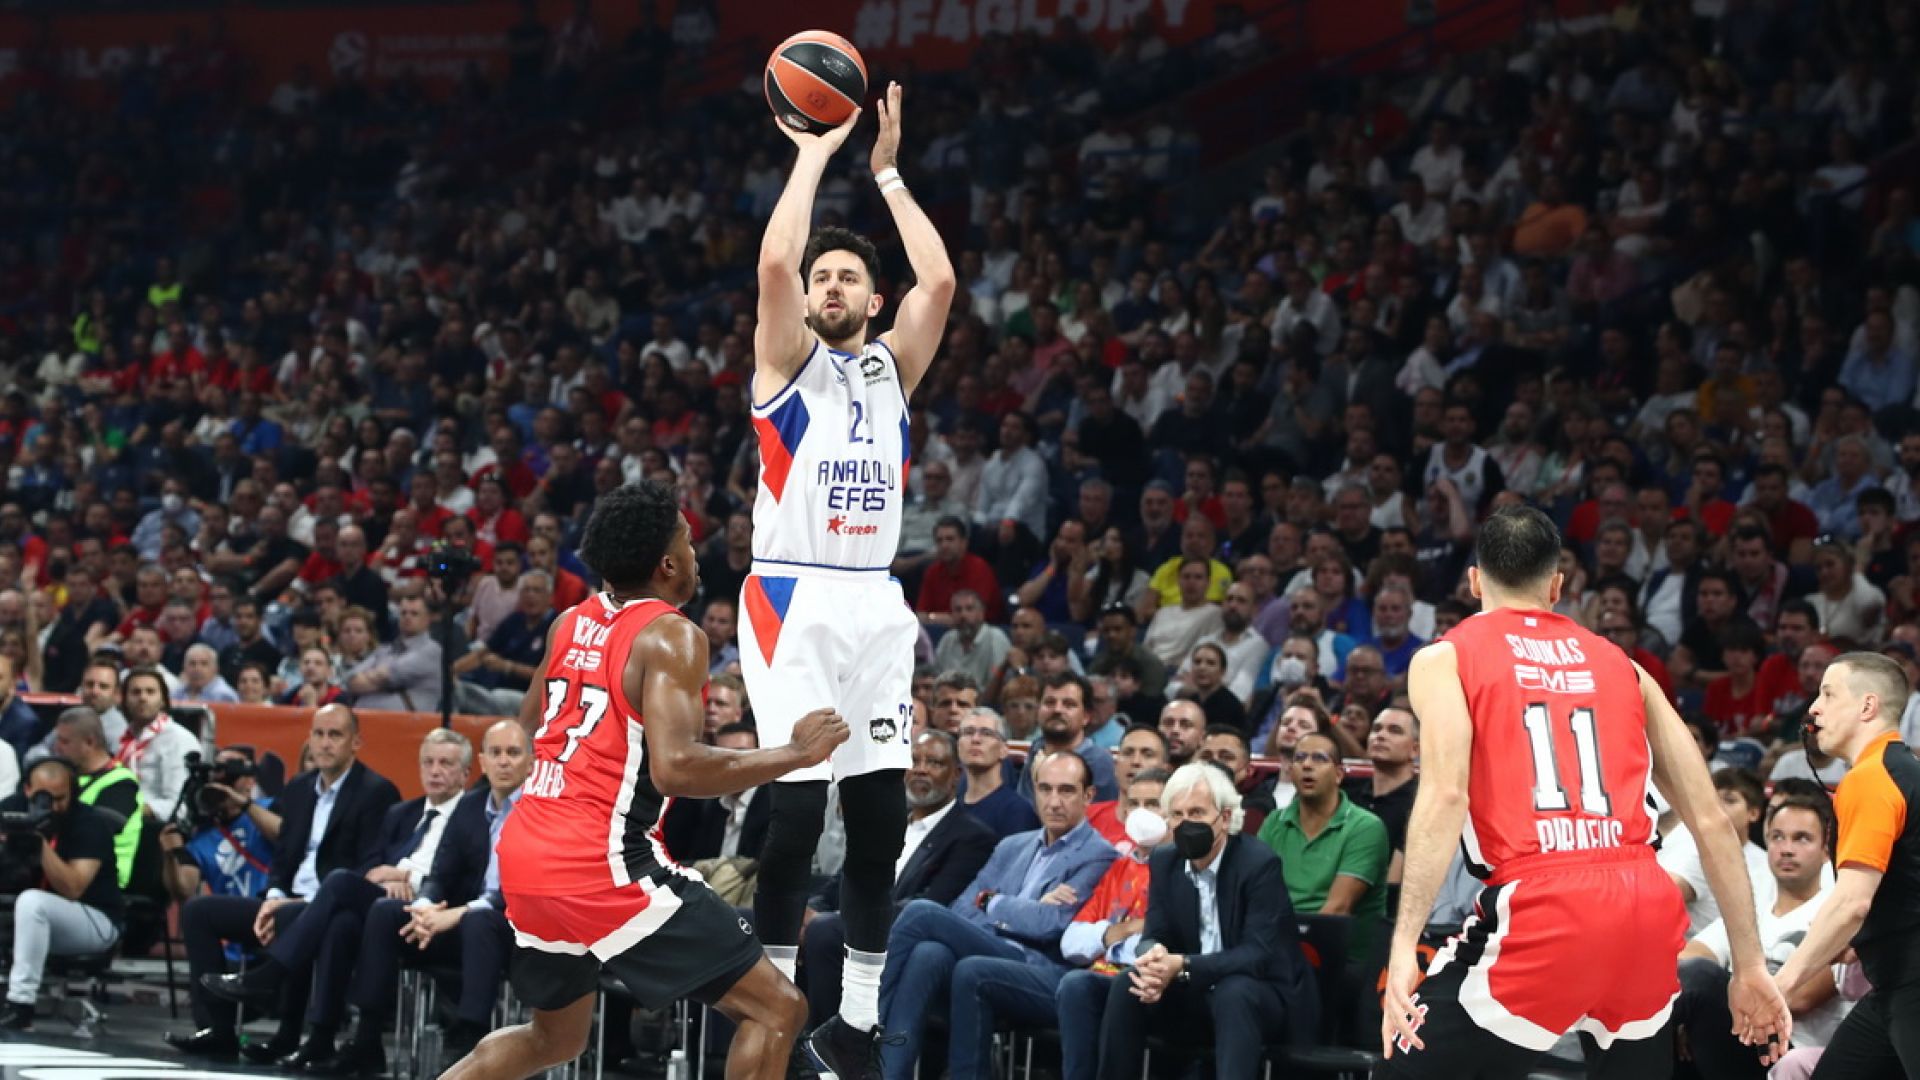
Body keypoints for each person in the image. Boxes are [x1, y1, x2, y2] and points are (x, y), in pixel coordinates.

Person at [441, 481, 848, 1080]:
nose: (694, 550)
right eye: (687, 539)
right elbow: (676, 768)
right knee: (776, 1009)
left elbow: (529, 729)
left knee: (553, 1038)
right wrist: (793, 754)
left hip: (528, 852)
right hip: (600, 862)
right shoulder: (671, 634)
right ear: (667, 563)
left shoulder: (568, 623)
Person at [1379, 505, 1791, 1076]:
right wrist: (1750, 966)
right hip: (1643, 904)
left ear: (1474, 580)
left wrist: (1404, 945)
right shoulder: (1625, 666)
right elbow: (1712, 820)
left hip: (1543, 903)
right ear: (1557, 586)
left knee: (1404, 1064)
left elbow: (1446, 795)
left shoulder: (1444, 658)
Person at [738, 78, 957, 1079]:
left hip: (874, 600)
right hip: (790, 597)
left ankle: (858, 1030)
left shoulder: (891, 371)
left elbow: (939, 285)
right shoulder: (785, 364)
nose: (828, 285)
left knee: (877, 823)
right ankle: (775, 1014)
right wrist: (814, 152)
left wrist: (891, 178)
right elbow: (774, 261)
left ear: (873, 300)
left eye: (847, 278)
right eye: (821, 276)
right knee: (794, 817)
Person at [198, 727, 474, 1067]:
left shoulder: (472, 815)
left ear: (465, 773)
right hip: (384, 902)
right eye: (428, 762)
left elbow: (465, 874)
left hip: (435, 911)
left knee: (341, 883)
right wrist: (384, 876)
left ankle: (272, 974)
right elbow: (372, 864)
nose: (435, 771)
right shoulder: (402, 813)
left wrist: (408, 878)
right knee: (341, 922)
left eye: (445, 763)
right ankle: (328, 1039)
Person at [165, 704, 401, 1062]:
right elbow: (284, 856)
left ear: (356, 742)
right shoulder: (299, 788)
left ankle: (286, 1028)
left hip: (332, 904)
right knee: (199, 911)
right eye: (319, 734)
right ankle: (218, 1029)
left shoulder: (376, 791)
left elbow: (368, 866)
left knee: (298, 918)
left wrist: (294, 904)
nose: (325, 743)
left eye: (335, 735)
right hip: (287, 899)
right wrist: (274, 895)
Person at [874, 751, 1117, 1079]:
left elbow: (1051, 924)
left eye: (1066, 790)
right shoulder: (1012, 845)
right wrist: (1020, 909)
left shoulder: (1098, 855)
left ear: (1088, 796)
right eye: (1045, 789)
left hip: (1038, 965)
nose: (1054, 801)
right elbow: (962, 907)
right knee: (929, 953)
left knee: (921, 913)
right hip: (989, 947)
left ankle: (862, 1025)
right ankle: (886, 1073)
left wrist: (991, 901)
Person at [327, 720, 535, 1071]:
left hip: (517, 930)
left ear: (531, 763)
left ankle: (469, 1039)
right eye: (496, 753)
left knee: (481, 920)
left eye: (513, 753)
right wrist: (423, 907)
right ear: (482, 762)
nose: (503, 761)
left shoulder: (542, 810)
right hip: (464, 927)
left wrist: (462, 911)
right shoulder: (470, 806)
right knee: (386, 910)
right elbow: (441, 873)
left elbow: (524, 888)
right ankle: (368, 1036)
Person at [1096, 760, 1319, 1077]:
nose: (1186, 823)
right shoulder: (1165, 860)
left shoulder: (1258, 863)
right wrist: (1154, 960)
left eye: (1197, 813)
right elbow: (1155, 932)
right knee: (1127, 985)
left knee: (1233, 992)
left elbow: (1256, 955)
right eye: (1177, 814)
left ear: (1225, 818)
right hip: (1197, 991)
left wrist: (1183, 965)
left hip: (1263, 995)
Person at [954, 766, 1171, 1080]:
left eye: (1152, 804)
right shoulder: (1120, 868)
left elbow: (1156, 945)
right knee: (932, 951)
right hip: (1092, 977)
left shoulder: (1179, 872)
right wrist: (1121, 930)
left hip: (1142, 985)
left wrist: (1105, 940)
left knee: (923, 918)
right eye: (1133, 803)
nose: (1141, 813)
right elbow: (1073, 942)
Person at [1770, 651, 1920, 1078]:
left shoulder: (1871, 777)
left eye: (1828, 694)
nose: (1814, 708)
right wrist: (1864, 937)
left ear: (1867, 706)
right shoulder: (1906, 771)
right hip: (1893, 979)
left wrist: (1780, 985)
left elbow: (1852, 901)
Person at [802, 731, 996, 1028]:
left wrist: (838, 917)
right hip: (852, 921)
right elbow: (843, 880)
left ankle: (828, 1044)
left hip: (902, 936)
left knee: (825, 930)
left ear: (956, 775)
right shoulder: (886, 821)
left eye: (934, 763)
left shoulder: (972, 836)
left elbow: (930, 904)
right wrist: (810, 910)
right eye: (914, 761)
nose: (920, 769)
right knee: (767, 920)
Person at [1674, 791, 1848, 1080]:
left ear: (1826, 850)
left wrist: (1712, 1002)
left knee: (1700, 980)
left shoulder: (1836, 911)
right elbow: (1691, 955)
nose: (1786, 849)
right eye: (1778, 837)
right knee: (1674, 1000)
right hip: (1740, 1041)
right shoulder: (1755, 912)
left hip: (1792, 1051)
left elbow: (1802, 998)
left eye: (1802, 839)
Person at [0, 758, 127, 1030]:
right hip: (28, 922)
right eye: (42, 797)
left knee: (32, 901)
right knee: (29, 904)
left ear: (73, 793)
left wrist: (39, 841)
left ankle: (21, 1004)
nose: (51, 806)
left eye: (59, 798)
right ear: (27, 789)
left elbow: (73, 887)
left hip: (94, 919)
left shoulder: (89, 823)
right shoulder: (11, 811)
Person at [158, 745, 281, 902]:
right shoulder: (201, 837)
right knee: (195, 909)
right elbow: (184, 891)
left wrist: (244, 805)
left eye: (230, 778)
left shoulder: (270, 807)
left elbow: (285, 836)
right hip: (230, 911)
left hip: (274, 903)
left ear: (250, 782)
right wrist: (171, 854)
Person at [47, 707, 142, 889]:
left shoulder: (121, 784)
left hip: (101, 882)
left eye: (64, 741)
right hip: (60, 870)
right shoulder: (69, 777)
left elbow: (97, 831)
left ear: (89, 742)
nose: (57, 748)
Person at [1017, 672, 1119, 803]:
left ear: (1086, 716)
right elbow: (1022, 809)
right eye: (1049, 702)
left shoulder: (1099, 763)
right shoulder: (1037, 749)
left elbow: (1097, 814)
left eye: (1069, 704)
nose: (1057, 710)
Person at [116, 666, 200, 822]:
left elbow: (179, 805)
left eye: (150, 692)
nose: (143, 698)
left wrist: (130, 809)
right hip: (125, 817)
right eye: (135, 692)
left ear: (163, 700)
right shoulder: (124, 738)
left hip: (158, 825)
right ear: (125, 700)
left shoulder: (177, 739)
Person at [955, 706, 1040, 838]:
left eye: (987, 733)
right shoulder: (948, 807)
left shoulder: (1018, 811)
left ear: (1003, 750)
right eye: (968, 732)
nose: (975, 739)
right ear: (958, 746)